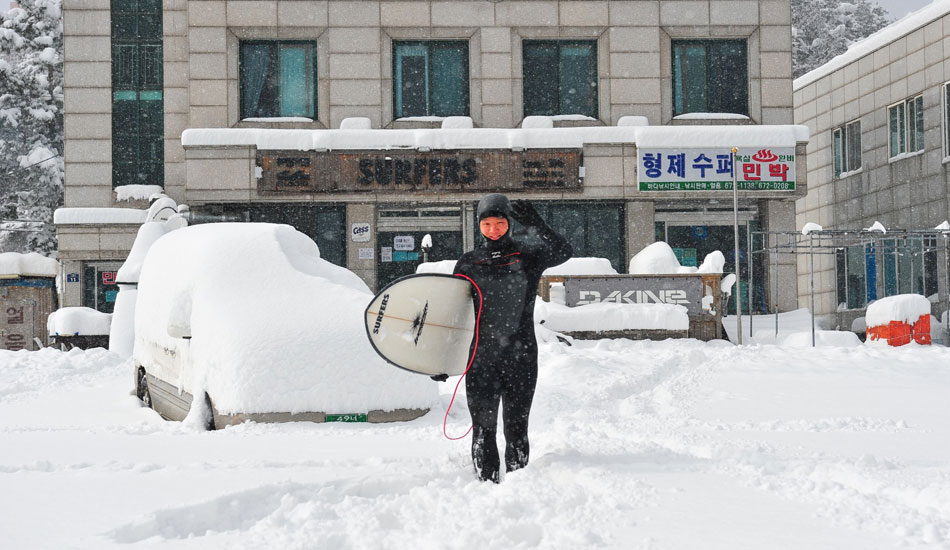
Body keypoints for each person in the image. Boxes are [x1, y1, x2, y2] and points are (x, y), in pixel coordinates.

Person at [449, 193, 572, 483]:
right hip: (481, 359)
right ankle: (485, 489)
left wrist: (537, 223)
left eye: (500, 222)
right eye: (487, 223)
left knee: (516, 429)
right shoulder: (468, 263)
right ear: (478, 225)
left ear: (509, 223)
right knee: (483, 429)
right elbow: (454, 315)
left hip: (521, 357)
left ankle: (519, 489)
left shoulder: (528, 257)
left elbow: (563, 251)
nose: (493, 229)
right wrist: (439, 360)